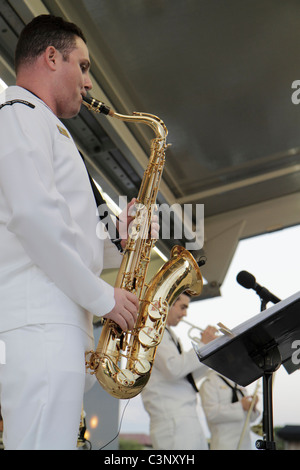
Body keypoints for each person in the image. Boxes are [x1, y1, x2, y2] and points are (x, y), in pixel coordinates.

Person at [0, 14, 143, 450]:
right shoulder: (19, 115)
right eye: (82, 66)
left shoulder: (40, 123)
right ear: (50, 57)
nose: (88, 83)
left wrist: (119, 236)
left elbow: (62, 232)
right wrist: (104, 298)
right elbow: (32, 218)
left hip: (58, 328)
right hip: (44, 326)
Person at [141, 292, 218, 450]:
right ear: (168, 303)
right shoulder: (151, 330)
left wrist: (212, 351)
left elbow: (185, 376)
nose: (185, 314)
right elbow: (173, 368)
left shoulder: (169, 333)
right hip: (172, 419)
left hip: (185, 418)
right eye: (182, 307)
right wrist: (203, 345)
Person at [199, 370, 260, 450]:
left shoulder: (239, 383)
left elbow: (251, 418)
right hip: (223, 445)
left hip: (245, 445)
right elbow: (211, 413)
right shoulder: (210, 382)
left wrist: (252, 406)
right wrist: (240, 406)